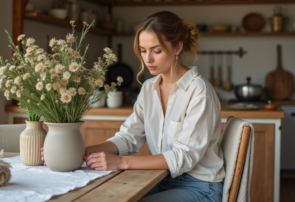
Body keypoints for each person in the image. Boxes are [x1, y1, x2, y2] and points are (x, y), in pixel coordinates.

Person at [41, 11, 225, 202]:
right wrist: (81, 152)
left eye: (157, 50)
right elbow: (129, 137)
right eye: (143, 50)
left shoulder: (199, 91)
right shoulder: (148, 88)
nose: (148, 59)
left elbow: (184, 157)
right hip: (162, 178)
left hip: (201, 186)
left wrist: (121, 162)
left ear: (178, 47)